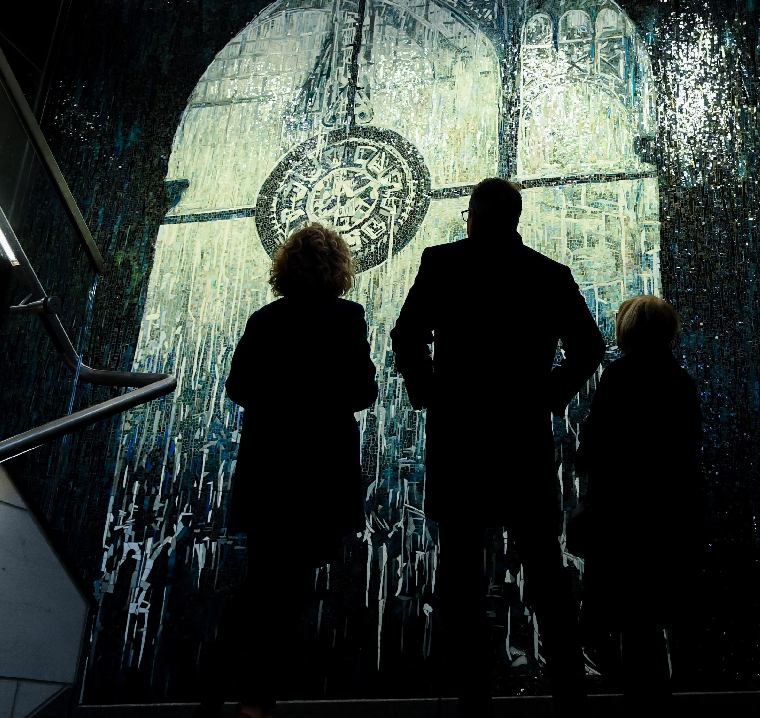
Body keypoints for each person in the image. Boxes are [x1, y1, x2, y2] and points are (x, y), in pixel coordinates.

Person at [390, 178, 605, 718]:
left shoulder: (441, 264)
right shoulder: (549, 275)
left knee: (461, 577)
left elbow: (406, 335)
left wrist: (430, 393)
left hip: (459, 440)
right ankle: (570, 699)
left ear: (472, 216)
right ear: (516, 218)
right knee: (544, 574)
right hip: (521, 440)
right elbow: (590, 347)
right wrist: (547, 396)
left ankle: (472, 704)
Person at [196, 223, 378, 718]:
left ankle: (222, 690)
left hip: (269, 468)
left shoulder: (265, 321)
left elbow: (237, 387)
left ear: (286, 268)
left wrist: (278, 403)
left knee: (265, 580)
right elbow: (363, 392)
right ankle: (253, 699)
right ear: (338, 269)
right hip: (320, 471)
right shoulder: (348, 317)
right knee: (286, 587)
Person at [572, 294, 703, 715]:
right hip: (666, 518)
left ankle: (638, 708)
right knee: (653, 617)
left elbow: (595, 453)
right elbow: (687, 455)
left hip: (620, 517)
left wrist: (589, 432)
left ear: (627, 330)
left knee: (630, 621)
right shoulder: (680, 382)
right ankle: (657, 705)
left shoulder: (619, 376)